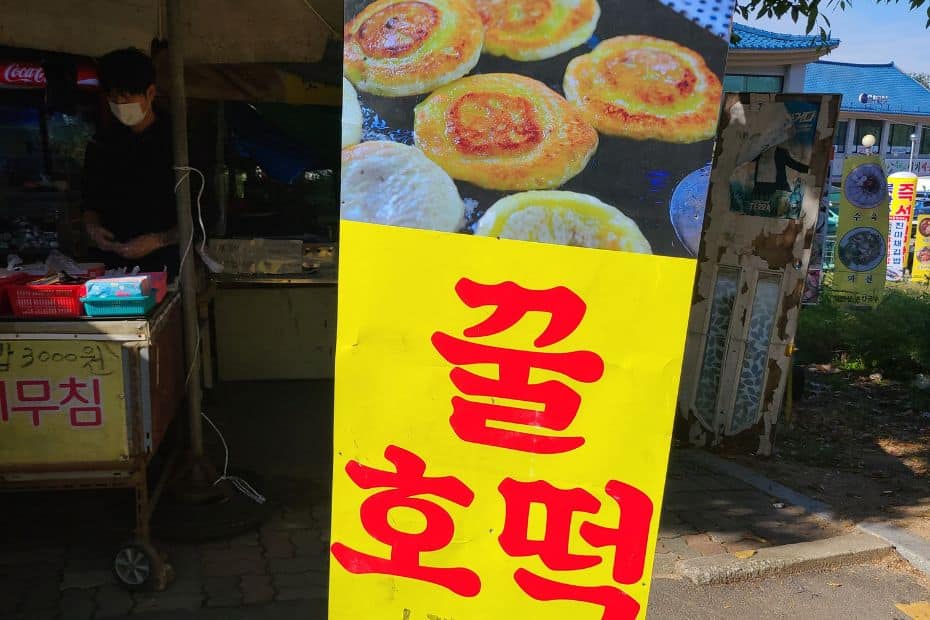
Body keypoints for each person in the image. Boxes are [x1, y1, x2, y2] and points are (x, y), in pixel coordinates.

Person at [82, 48, 180, 277]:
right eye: (113, 97)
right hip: (111, 267)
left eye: (126, 96)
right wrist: (93, 229)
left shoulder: (178, 143)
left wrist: (158, 240)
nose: (119, 103)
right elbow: (89, 203)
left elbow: (203, 214)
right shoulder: (101, 145)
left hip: (167, 265)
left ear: (151, 92)